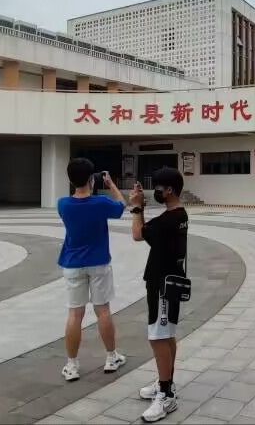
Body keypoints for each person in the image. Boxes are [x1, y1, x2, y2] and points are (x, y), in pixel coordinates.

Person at [57, 158, 127, 381]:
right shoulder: (100, 203)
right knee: (103, 311)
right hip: (98, 263)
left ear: (70, 179)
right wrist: (111, 185)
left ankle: (72, 365)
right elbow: (121, 206)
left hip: (72, 264)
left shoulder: (63, 204)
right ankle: (111, 357)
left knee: (74, 314)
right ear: (91, 179)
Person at [129, 167, 188, 423]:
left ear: (169, 190)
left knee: (158, 337)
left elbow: (136, 234)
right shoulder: (178, 215)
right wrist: (140, 207)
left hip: (162, 285)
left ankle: (166, 395)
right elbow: (146, 231)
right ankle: (167, 382)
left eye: (159, 188)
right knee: (167, 333)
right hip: (171, 281)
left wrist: (136, 207)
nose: (156, 192)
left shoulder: (168, 220)